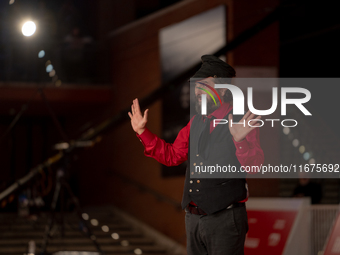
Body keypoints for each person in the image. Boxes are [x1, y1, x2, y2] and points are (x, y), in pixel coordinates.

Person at [128, 55, 264, 255]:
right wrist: (142, 132)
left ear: (223, 89)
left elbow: (254, 166)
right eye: (197, 87)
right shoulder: (196, 122)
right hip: (193, 218)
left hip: (225, 219)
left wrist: (239, 140)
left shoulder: (242, 120)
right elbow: (172, 155)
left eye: (205, 86)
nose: (198, 92)